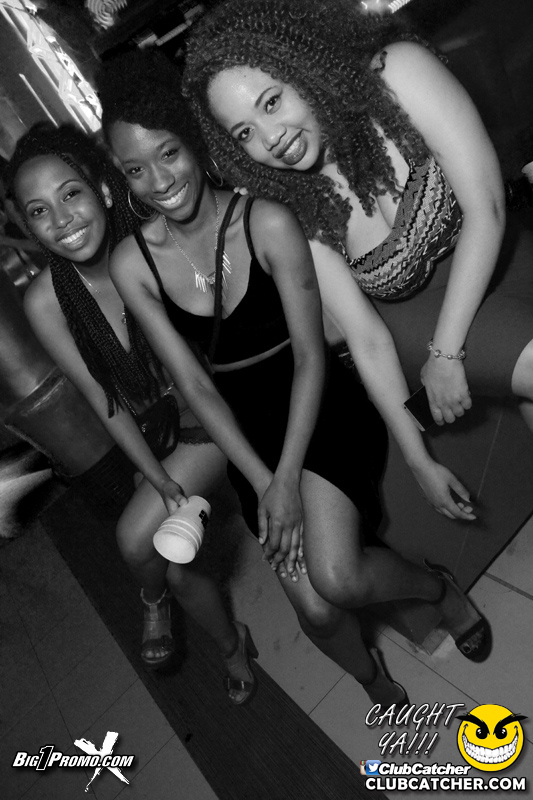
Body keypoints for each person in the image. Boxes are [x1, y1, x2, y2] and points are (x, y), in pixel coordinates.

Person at [95, 48, 490, 711]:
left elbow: (311, 356)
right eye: (136, 169)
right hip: (247, 434)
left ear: (195, 141)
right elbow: (196, 386)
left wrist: (284, 480)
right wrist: (260, 481)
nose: (159, 180)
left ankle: (437, 590)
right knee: (314, 608)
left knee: (336, 577)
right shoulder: (133, 263)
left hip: (320, 405)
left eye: (169, 153)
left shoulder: (266, 220)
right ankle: (372, 681)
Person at [183, 0, 533, 507]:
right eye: (245, 133)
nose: (271, 138)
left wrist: (446, 356)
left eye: (271, 102)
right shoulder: (297, 206)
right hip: (422, 330)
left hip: (506, 258)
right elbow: (366, 339)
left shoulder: (398, 74)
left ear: (300, 64)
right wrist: (419, 459)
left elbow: (488, 209)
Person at [6, 124, 258, 705]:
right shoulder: (45, 300)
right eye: (40, 211)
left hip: (216, 408)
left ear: (101, 187)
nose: (62, 220)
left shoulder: (153, 241)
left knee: (134, 539)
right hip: (159, 432)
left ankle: (151, 599)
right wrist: (156, 476)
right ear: (28, 227)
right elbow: (106, 399)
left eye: (71, 194)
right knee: (174, 561)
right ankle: (231, 645)